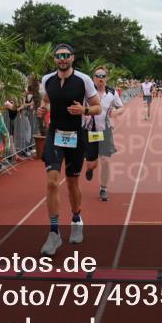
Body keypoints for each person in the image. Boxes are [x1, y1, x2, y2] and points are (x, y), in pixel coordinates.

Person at [36, 44, 100, 256]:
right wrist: (42, 109)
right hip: (55, 134)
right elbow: (46, 100)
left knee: (72, 184)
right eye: (58, 56)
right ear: (54, 59)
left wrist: (84, 109)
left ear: (72, 58)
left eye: (66, 55)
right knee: (52, 182)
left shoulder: (84, 80)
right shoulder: (47, 80)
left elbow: (97, 106)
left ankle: (76, 218)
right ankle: (54, 233)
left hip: (75, 135)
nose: (62, 59)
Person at [83, 66, 123, 202]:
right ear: (93, 78)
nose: (100, 78)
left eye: (103, 76)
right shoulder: (87, 92)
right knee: (92, 164)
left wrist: (116, 112)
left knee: (105, 160)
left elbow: (121, 107)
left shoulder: (112, 92)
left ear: (107, 78)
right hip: (91, 130)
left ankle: (103, 189)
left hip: (105, 130)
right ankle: (90, 169)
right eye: (97, 76)